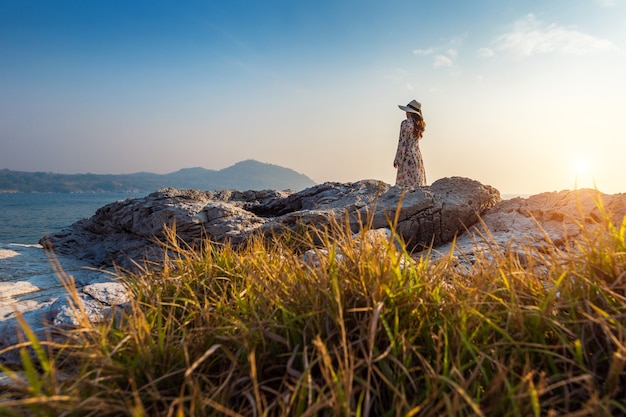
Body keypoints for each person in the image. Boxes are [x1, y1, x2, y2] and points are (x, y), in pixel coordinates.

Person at [393, 99, 427, 188]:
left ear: (410, 112)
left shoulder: (405, 123)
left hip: (407, 158)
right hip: (417, 157)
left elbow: (402, 143)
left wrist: (397, 159)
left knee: (404, 188)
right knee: (417, 186)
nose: (406, 113)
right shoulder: (420, 125)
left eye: (407, 111)